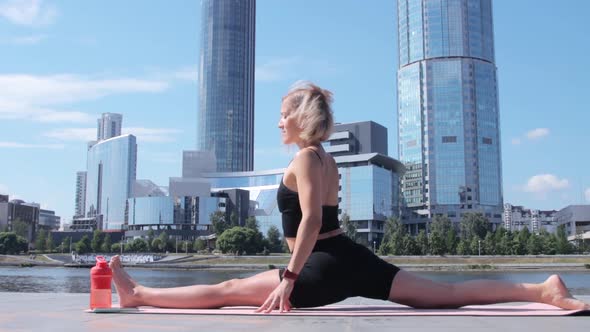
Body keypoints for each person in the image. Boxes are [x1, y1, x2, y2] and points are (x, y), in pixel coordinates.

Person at [109, 82, 589, 313]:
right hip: (350, 257)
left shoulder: (305, 159)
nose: (278, 122)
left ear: (300, 117)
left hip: (322, 262)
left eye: (282, 114)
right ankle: (543, 290)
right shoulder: (325, 158)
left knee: (229, 289)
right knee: (446, 296)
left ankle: (138, 294)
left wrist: (288, 278)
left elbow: (312, 221)